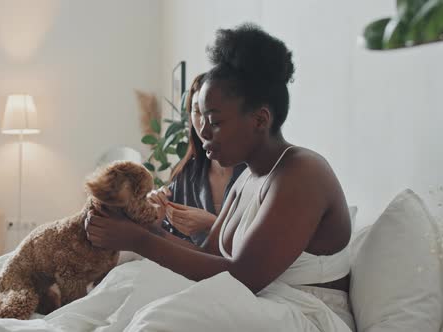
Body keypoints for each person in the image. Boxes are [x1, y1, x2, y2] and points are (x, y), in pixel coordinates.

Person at [86, 23, 354, 330]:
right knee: (132, 282)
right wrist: (146, 227)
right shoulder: (248, 178)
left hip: (306, 314)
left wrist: (138, 240)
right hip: (258, 302)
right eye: (199, 117)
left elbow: (243, 277)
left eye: (213, 120)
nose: (201, 132)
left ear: (260, 119)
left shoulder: (302, 172)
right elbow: (208, 257)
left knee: (159, 318)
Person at [148, 73, 246, 246]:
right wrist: (155, 213)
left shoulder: (257, 173)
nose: (204, 123)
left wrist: (213, 225)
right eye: (197, 111)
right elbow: (167, 239)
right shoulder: (185, 175)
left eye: (212, 112)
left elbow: (265, 245)